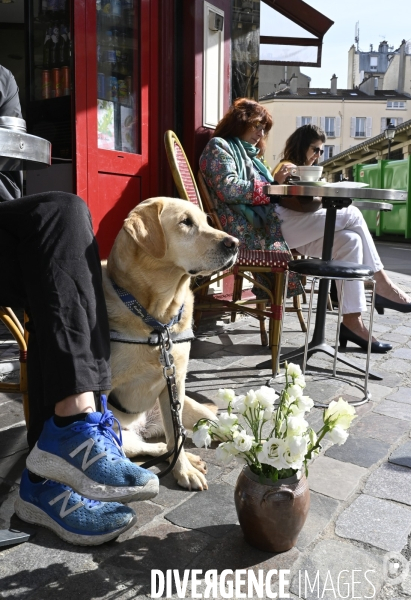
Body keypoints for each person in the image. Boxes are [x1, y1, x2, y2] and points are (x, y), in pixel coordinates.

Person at [0, 65, 158, 546]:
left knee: (65, 213)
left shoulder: (3, 78)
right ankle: (56, 465)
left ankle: (71, 430)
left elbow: (12, 155)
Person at [199, 100, 411, 354]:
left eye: (265, 128)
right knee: (352, 213)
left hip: (273, 223)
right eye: (257, 125)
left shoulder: (252, 157)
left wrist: (280, 183)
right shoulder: (219, 146)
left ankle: (352, 323)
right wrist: (272, 185)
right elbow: (228, 188)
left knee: (350, 242)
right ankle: (383, 284)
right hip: (257, 231)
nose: (261, 133)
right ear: (240, 121)